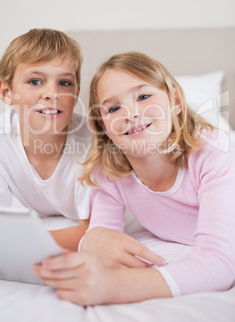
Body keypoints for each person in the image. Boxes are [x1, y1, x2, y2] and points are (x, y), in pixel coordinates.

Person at [32, 52, 235, 305]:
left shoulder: (214, 153)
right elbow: (103, 237)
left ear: (176, 100)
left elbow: (221, 263)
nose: (131, 114)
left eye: (143, 96)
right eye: (114, 108)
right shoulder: (109, 173)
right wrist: (91, 242)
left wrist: (115, 286)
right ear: (104, 127)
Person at [0, 28, 92, 250]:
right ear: (6, 92)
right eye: (35, 81)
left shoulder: (91, 141)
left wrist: (14, 243)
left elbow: (95, 231)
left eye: (64, 83)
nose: (52, 93)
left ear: (76, 94)